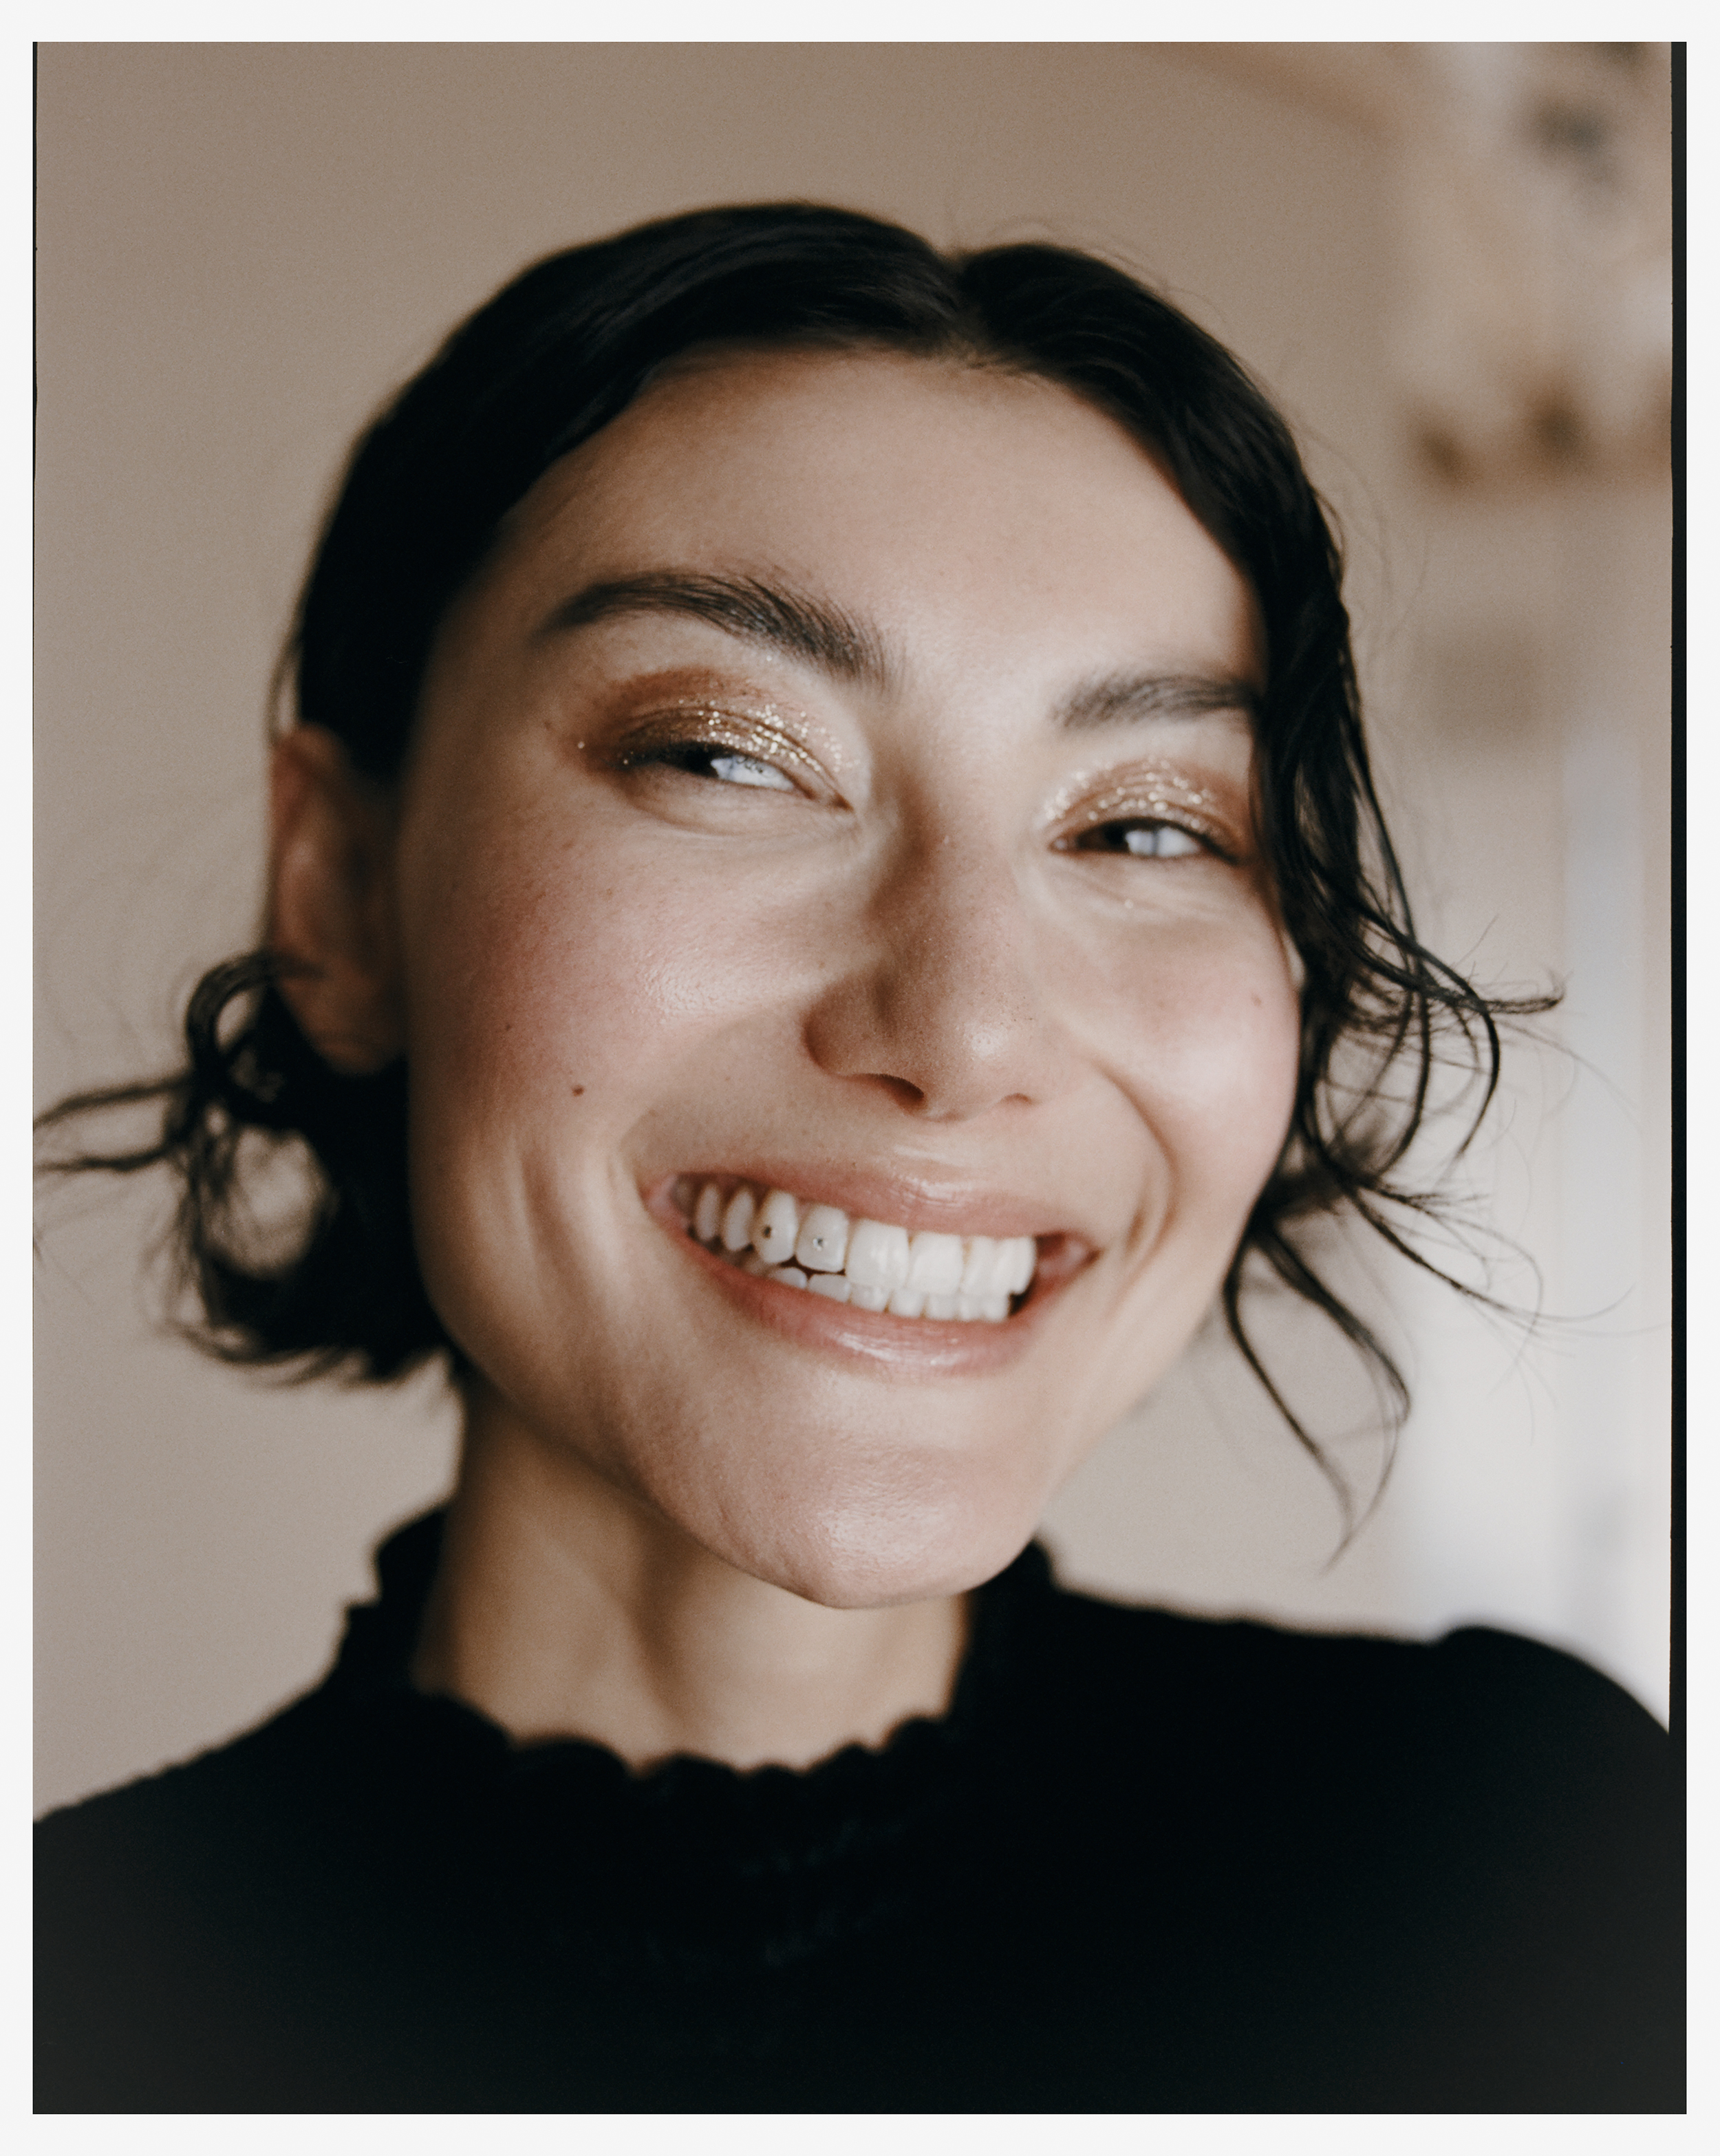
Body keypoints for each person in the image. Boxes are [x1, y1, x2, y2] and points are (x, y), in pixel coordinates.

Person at [34, 202, 1679, 2113]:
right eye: (727, 755)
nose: (961, 1029)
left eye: (1147, 827)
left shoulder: (1531, 1874)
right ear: (338, 892)